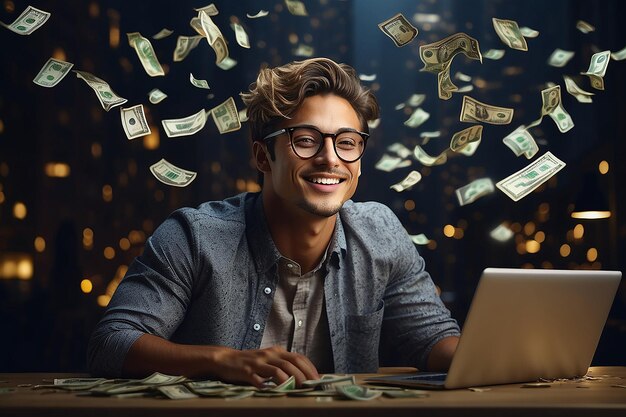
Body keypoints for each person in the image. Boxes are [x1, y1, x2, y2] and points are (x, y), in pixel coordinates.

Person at [87, 57, 460, 388]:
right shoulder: (195, 236)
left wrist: (507, 351)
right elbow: (111, 342)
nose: (330, 159)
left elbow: (432, 340)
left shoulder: (381, 234)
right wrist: (222, 361)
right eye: (306, 140)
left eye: (346, 142)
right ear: (263, 157)